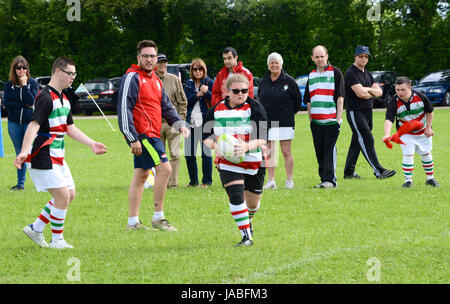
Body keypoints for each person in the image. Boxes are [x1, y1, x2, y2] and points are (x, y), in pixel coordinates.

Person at [15, 56, 107, 249]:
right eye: (70, 73)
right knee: (63, 196)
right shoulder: (45, 97)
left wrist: (91, 143)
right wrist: (24, 152)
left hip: (57, 157)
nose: (73, 77)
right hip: (42, 156)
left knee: (69, 194)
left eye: (74, 73)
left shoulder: (63, 98)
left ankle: (36, 228)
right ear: (57, 72)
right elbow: (33, 125)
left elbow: (70, 128)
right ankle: (57, 240)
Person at [117, 40, 190, 232]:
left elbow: (166, 106)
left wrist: (179, 124)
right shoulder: (132, 77)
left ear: (156, 59)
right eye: (145, 56)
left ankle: (132, 223)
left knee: (141, 176)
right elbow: (124, 108)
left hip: (152, 134)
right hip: (143, 136)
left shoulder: (156, 80)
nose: (149, 60)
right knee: (165, 169)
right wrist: (132, 137)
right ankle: (158, 217)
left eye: (152, 56)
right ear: (138, 58)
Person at [203, 73, 267, 247]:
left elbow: (263, 138)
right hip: (228, 162)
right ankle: (246, 236)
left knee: (252, 203)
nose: (241, 94)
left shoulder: (255, 107)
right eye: (237, 90)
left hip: (254, 160)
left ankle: (247, 221)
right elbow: (205, 136)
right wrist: (217, 147)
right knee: (236, 196)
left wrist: (246, 147)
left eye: (245, 90)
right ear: (227, 91)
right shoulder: (215, 110)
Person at [343, 45, 396, 180]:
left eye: (366, 56)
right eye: (361, 56)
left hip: (367, 111)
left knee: (357, 141)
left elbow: (380, 92)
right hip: (355, 112)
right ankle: (379, 171)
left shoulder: (367, 73)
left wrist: (368, 91)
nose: (364, 58)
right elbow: (360, 94)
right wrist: (371, 91)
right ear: (355, 57)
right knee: (367, 138)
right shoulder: (350, 73)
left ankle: (349, 172)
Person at [383, 76, 439, 188]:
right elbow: (389, 119)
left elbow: (430, 111)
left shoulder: (420, 96)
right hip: (405, 133)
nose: (400, 92)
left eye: (403, 89)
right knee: (408, 154)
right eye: (397, 90)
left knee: (426, 153)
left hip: (422, 132)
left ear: (410, 87)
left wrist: (428, 128)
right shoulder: (394, 101)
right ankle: (408, 180)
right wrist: (387, 134)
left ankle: (430, 178)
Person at [258, 52, 302, 190]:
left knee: (286, 151)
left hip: (285, 121)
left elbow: (297, 102)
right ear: (268, 65)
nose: (274, 65)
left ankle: (289, 180)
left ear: (281, 64)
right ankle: (271, 181)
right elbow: (260, 98)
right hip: (268, 122)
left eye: (276, 62)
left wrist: (287, 114)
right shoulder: (263, 81)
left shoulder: (289, 81)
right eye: (272, 62)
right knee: (269, 151)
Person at [304, 46, 344, 189]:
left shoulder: (336, 72)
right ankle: (323, 179)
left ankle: (330, 180)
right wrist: (310, 119)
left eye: (322, 56)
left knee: (328, 150)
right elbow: (308, 99)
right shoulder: (311, 74)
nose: (320, 59)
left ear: (327, 56)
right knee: (319, 151)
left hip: (331, 120)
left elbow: (340, 97)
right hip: (316, 121)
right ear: (312, 58)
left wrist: (338, 118)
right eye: (317, 57)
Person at [4, 56, 39, 191]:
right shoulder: (9, 85)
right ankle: (20, 184)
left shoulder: (33, 83)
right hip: (13, 124)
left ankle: (40, 182)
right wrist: (23, 104)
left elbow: (31, 101)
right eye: (18, 68)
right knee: (20, 152)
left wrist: (24, 85)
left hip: (30, 124)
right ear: (14, 69)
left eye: (24, 67)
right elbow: (7, 105)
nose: (21, 70)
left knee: (32, 152)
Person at [155, 53, 188, 188]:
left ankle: (173, 183)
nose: (162, 65)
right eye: (160, 62)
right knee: (158, 155)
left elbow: (182, 101)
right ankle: (161, 182)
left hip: (172, 124)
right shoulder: (151, 79)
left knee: (175, 154)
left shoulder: (174, 79)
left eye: (165, 62)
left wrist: (180, 120)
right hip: (156, 124)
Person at [184, 58, 214, 188]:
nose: (197, 71)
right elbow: (185, 102)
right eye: (195, 69)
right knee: (189, 154)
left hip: (205, 122)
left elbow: (214, 100)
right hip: (190, 123)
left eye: (200, 68)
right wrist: (198, 94)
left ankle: (206, 181)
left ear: (204, 70)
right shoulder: (188, 84)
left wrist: (206, 92)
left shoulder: (210, 82)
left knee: (206, 154)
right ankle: (193, 181)